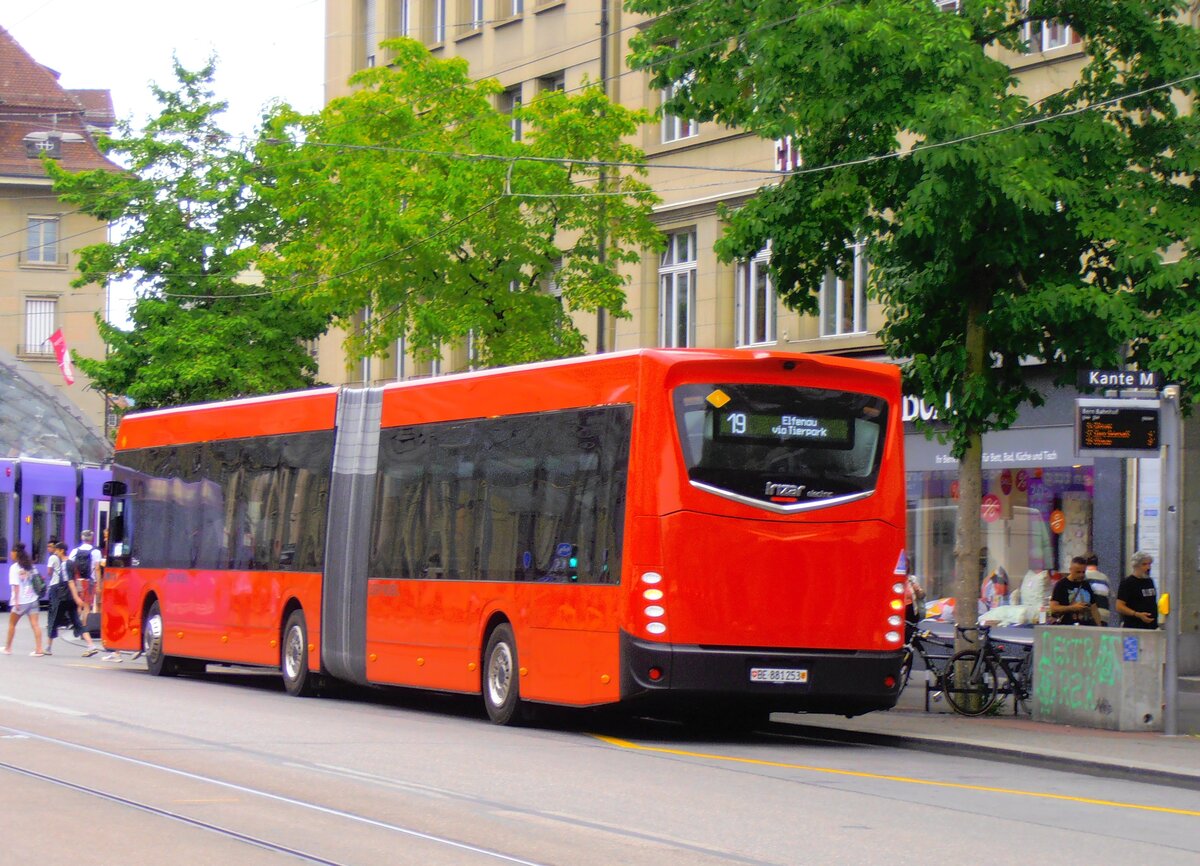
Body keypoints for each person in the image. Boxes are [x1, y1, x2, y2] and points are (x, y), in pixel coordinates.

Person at [45, 541, 98, 657]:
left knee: (53, 621)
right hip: (71, 598)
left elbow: (69, 582)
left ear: (61, 551)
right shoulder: (72, 563)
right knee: (77, 622)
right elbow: (76, 580)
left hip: (63, 597)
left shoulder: (64, 564)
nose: (56, 553)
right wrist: (78, 597)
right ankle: (91, 645)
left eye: (57, 550)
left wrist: (76, 598)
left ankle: (48, 647)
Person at [5, 542, 45, 656]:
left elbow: (16, 586)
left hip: (21, 601)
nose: (10, 554)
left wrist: (16, 602)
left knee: (12, 624)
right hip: (33, 600)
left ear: (15, 553)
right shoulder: (31, 565)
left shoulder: (14, 568)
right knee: (35, 625)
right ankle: (39, 649)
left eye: (11, 552)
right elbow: (38, 579)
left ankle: (8, 648)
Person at [1049, 555, 1103, 626]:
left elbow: (1094, 608)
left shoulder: (1086, 584)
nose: (1081, 575)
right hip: (1067, 626)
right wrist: (1072, 608)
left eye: (1083, 572)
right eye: (1078, 572)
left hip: (1086, 625)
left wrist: (1099, 626)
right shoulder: (1061, 585)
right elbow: (1053, 608)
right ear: (1070, 570)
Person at [1116, 551, 1158, 629]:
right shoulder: (1127, 583)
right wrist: (1137, 614)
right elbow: (1119, 606)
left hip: (1151, 627)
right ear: (1136, 566)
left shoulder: (1149, 581)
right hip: (1133, 627)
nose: (1148, 568)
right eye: (1144, 564)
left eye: (1149, 564)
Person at [1083, 551, 1113, 625]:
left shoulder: (1083, 576)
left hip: (1088, 615)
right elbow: (1110, 596)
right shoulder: (1104, 578)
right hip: (1104, 614)